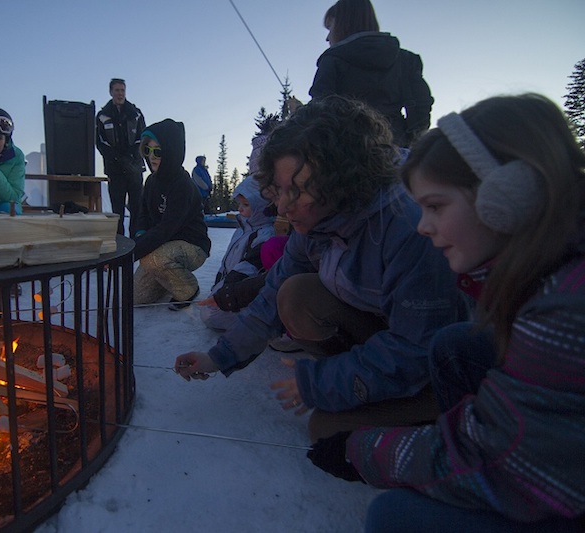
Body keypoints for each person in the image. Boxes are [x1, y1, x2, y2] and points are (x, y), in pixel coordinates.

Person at [307, 94, 585, 533]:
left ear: (507, 197)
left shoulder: (565, 309)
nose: (423, 225)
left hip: (553, 484)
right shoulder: (546, 268)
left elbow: (497, 461)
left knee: (393, 518)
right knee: (460, 344)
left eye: (435, 206)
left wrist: (363, 451)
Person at [175, 96, 468, 440]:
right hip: (386, 331)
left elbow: (417, 347)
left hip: (440, 364)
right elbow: (272, 295)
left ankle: (442, 421)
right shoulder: (317, 221)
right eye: (278, 192)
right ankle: (360, 382)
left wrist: (323, 382)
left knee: (327, 432)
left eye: (296, 192)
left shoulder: (410, 227)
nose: (283, 206)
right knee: (294, 294)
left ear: (341, 180)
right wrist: (217, 358)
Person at [291, 0, 433, 148]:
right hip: (396, 154)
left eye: (330, 27)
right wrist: (404, 144)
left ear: (342, 24)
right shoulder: (406, 60)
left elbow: (319, 114)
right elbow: (420, 112)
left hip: (348, 159)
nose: (327, 37)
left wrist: (299, 112)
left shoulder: (332, 61)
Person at [133, 119, 211, 311]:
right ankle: (170, 279)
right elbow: (142, 214)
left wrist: (132, 252)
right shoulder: (151, 181)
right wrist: (140, 234)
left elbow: (165, 229)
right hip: (164, 246)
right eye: (147, 150)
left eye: (157, 151)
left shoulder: (182, 185)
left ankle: (188, 289)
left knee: (153, 260)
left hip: (192, 246)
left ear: (170, 152)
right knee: (137, 297)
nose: (152, 157)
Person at [198, 175, 276, 330]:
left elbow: (248, 268)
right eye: (239, 203)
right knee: (207, 310)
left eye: (246, 205)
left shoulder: (265, 235)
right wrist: (217, 287)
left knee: (210, 315)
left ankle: (259, 321)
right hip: (230, 287)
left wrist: (225, 291)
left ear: (261, 207)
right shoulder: (242, 229)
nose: (240, 209)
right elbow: (226, 262)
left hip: (244, 291)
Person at [96, 78, 147, 236]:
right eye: (117, 90)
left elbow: (143, 137)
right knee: (117, 211)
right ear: (111, 92)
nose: (120, 94)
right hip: (115, 170)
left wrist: (131, 155)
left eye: (122, 90)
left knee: (137, 210)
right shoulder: (102, 116)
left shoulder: (136, 114)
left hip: (134, 169)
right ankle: (120, 249)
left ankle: (136, 247)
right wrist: (117, 158)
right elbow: (100, 142)